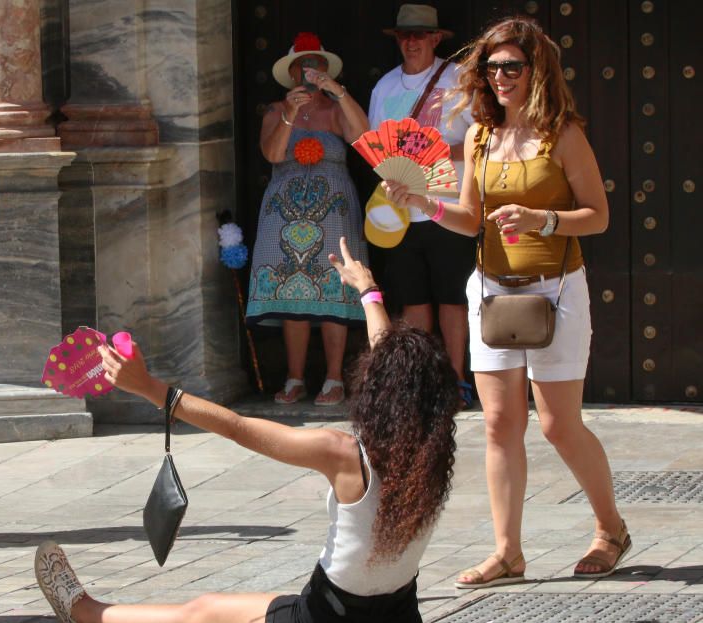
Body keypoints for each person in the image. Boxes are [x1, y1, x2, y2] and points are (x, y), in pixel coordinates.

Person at [34, 238, 460, 623]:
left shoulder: (344, 454)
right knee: (257, 605)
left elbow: (236, 427)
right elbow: (401, 371)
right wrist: (368, 293)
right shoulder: (430, 453)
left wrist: (149, 388)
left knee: (200, 613)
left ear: (379, 394)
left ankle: (86, 613)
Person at [381, 16, 628, 587]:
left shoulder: (562, 134)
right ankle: (507, 552)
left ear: (536, 69)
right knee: (497, 423)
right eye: (491, 68)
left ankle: (610, 528)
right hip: (492, 289)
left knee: (558, 425)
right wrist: (423, 200)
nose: (499, 78)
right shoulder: (479, 135)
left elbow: (599, 215)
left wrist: (543, 219)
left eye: (511, 67)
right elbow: (470, 219)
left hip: (557, 290)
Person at [245, 32, 370, 407]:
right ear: (293, 72)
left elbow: (364, 135)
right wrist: (287, 114)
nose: (310, 72)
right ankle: (295, 377)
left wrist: (339, 93)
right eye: (304, 66)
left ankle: (334, 379)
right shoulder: (273, 111)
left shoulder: (335, 111)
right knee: (293, 292)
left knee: (333, 288)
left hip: (333, 210)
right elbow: (272, 153)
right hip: (284, 212)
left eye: (317, 67)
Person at [367, 3, 476, 408]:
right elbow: (377, 148)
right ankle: (423, 382)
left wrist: (440, 152)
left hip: (447, 207)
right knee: (413, 298)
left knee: (452, 297)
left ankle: (457, 381)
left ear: (435, 38)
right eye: (404, 35)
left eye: (419, 35)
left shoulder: (460, 79)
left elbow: (483, 140)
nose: (411, 42)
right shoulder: (385, 88)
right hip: (399, 211)